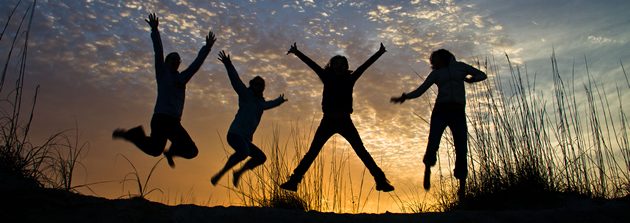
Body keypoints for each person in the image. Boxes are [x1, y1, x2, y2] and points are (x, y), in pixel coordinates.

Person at [280, 42, 394, 192]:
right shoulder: (326, 77)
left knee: (361, 151)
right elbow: (312, 65)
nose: (339, 66)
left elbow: (364, 67)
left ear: (346, 67)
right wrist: (297, 52)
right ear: (332, 66)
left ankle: (381, 181)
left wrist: (379, 53)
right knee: (312, 152)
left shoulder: (350, 79)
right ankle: (293, 182)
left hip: (345, 121)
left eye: (342, 64)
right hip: (328, 121)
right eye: (336, 64)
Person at [112, 13, 216, 168]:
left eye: (177, 60)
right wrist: (155, 30)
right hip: (161, 118)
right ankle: (132, 135)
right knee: (155, 150)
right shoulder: (162, 74)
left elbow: (196, 65)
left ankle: (171, 152)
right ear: (166, 62)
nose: (175, 61)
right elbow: (158, 52)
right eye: (172, 59)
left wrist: (207, 47)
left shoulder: (182, 78)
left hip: (174, 121)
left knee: (191, 151)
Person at [390, 49, 487, 197]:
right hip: (440, 111)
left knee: (461, 148)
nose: (432, 60)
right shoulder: (436, 74)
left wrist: (471, 79)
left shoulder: (460, 66)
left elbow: (482, 75)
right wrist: (405, 97)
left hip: (458, 112)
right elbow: (421, 90)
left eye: (435, 57)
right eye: (431, 59)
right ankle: (428, 167)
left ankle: (462, 188)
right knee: (433, 142)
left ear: (443, 56)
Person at [211, 50, 287, 187]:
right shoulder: (246, 96)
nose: (260, 87)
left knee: (261, 157)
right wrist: (229, 65)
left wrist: (279, 100)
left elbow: (270, 104)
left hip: (245, 138)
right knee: (244, 152)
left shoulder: (261, 103)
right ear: (252, 86)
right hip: (235, 134)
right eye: (257, 85)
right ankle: (220, 174)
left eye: (262, 86)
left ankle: (239, 173)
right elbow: (236, 81)